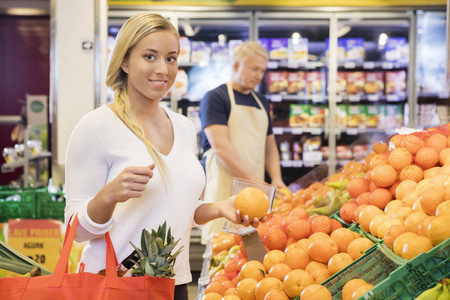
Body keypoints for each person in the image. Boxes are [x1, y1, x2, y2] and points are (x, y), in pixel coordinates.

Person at [64, 12, 259, 300]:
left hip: (175, 283)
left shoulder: (183, 126)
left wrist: (219, 208)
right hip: (115, 284)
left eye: (170, 58)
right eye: (150, 56)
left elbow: (180, 208)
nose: (163, 70)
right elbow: (76, 231)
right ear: (125, 61)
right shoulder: (96, 127)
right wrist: (109, 195)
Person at [199, 41, 287, 244]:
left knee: (247, 244)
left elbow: (270, 146)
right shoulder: (215, 97)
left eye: (262, 70)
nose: (259, 75)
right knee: (221, 244)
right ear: (236, 65)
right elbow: (221, 147)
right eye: (254, 68)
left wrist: (276, 178)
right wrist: (255, 182)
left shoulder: (262, 101)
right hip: (224, 187)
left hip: (255, 192)